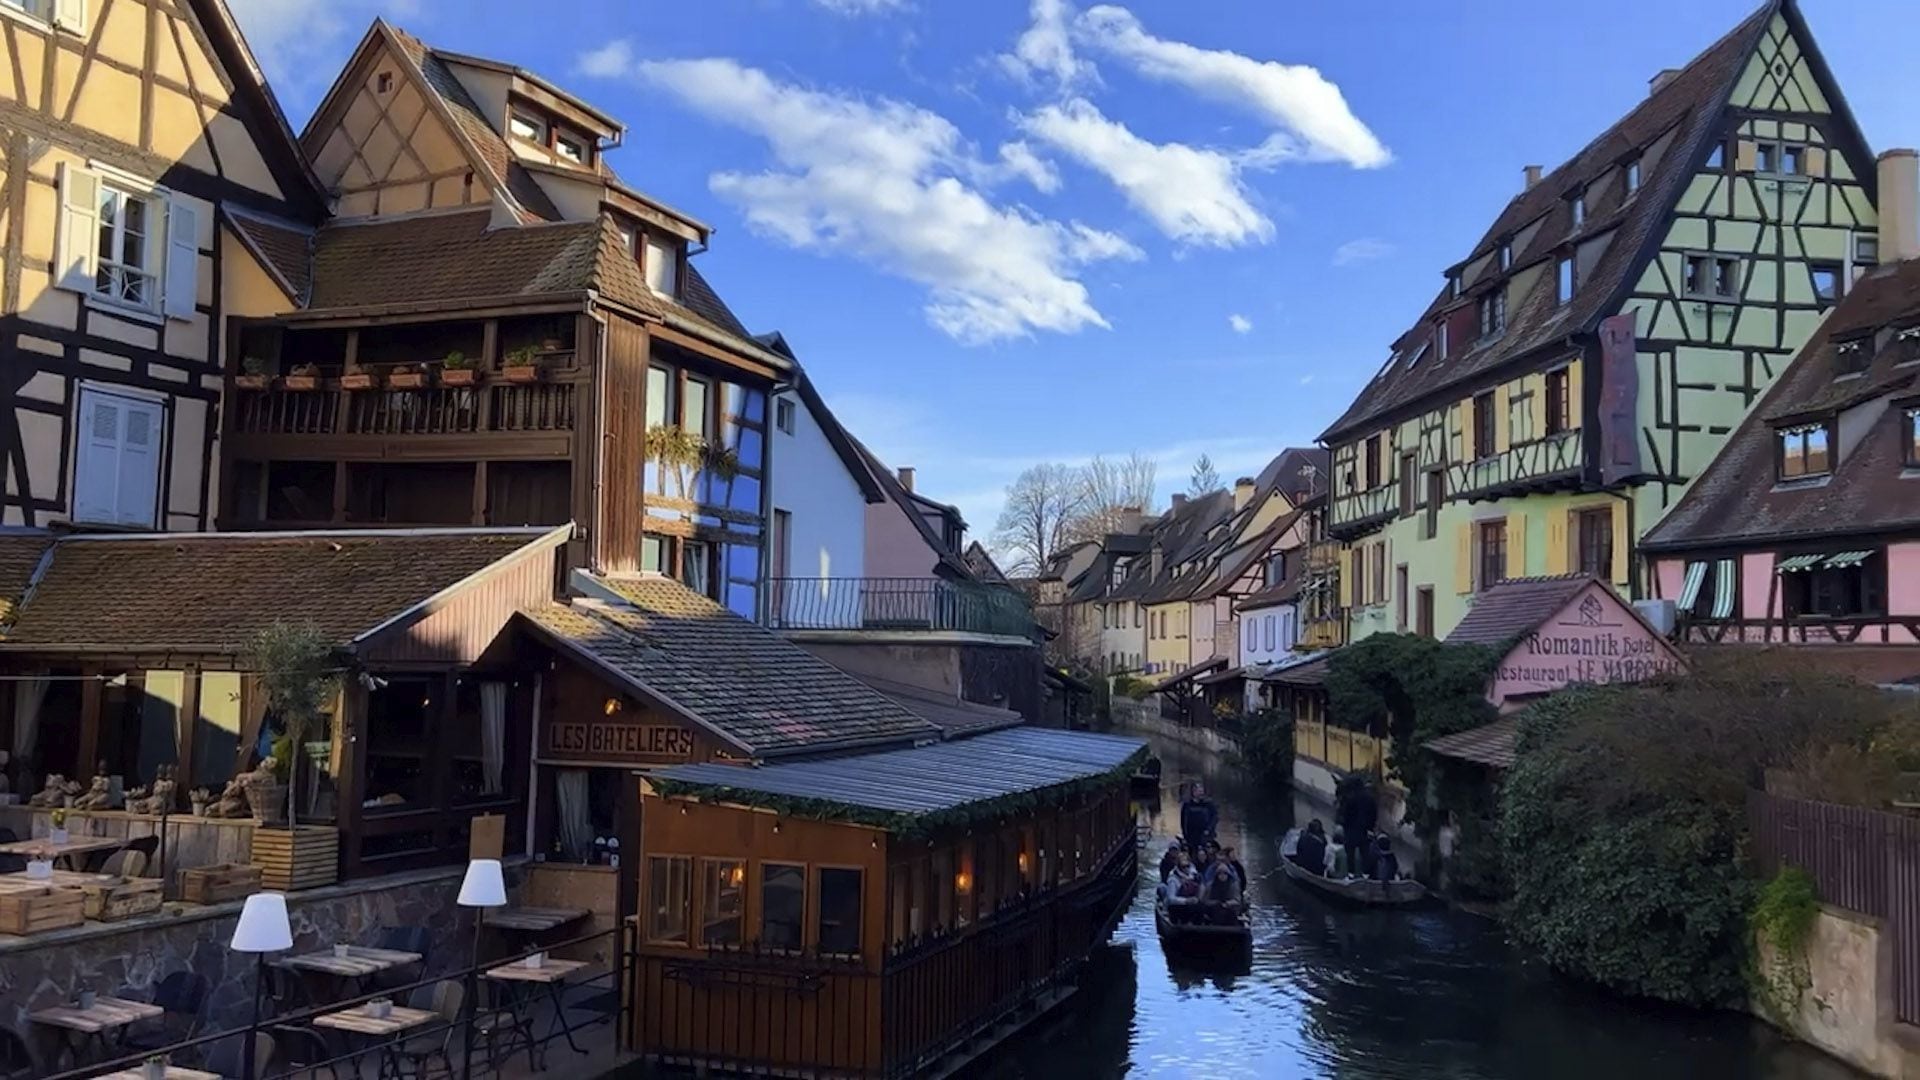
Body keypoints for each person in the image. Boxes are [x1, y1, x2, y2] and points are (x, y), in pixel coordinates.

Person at [1180, 784, 1219, 849]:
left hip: (1205, 835)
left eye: (1202, 791)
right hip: (1191, 836)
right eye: (1199, 791)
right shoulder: (1187, 805)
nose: (1201, 793)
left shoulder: (1209, 804)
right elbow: (1183, 820)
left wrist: (1209, 829)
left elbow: (1214, 818)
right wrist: (1185, 834)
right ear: (1194, 792)